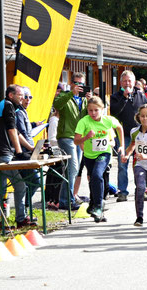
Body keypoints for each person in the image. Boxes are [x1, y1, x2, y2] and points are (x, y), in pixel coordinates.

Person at [0, 84, 37, 230]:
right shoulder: (8, 105)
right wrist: (18, 152)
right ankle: (19, 219)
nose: (23, 98)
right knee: (20, 185)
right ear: (11, 95)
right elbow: (11, 130)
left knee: (0, 187)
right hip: (3, 153)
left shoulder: (7, 105)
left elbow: (15, 131)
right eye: (20, 95)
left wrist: (29, 148)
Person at [74, 96, 124, 222]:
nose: (93, 113)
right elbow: (76, 141)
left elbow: (119, 128)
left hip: (104, 153)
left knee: (97, 175)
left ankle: (98, 206)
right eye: (90, 110)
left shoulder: (108, 120)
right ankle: (94, 207)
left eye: (96, 110)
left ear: (102, 109)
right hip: (89, 155)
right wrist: (86, 137)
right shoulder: (84, 122)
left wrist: (122, 145)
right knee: (93, 179)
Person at [53, 72, 91, 210]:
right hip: (66, 136)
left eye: (81, 84)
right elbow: (56, 104)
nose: (79, 86)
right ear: (71, 83)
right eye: (76, 83)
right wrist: (71, 93)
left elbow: (89, 118)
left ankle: (64, 200)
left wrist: (90, 101)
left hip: (78, 136)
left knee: (73, 170)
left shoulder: (85, 99)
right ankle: (67, 200)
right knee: (73, 166)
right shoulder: (64, 95)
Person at [122, 104, 147, 228]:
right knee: (140, 188)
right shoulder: (134, 131)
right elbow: (132, 146)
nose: (145, 119)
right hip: (138, 164)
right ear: (138, 117)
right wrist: (127, 154)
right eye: (142, 116)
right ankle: (139, 217)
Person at [110, 70, 147, 202]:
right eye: (125, 81)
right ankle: (122, 192)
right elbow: (114, 112)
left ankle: (142, 190)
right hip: (124, 136)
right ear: (121, 82)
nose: (127, 83)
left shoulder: (140, 95)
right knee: (122, 164)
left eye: (129, 81)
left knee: (142, 163)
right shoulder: (116, 97)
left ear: (134, 81)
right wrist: (124, 98)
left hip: (140, 136)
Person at [16, 87, 43, 204]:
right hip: (23, 153)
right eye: (25, 97)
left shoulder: (23, 112)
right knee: (35, 182)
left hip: (29, 151)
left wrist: (34, 124)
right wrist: (31, 148)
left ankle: (25, 209)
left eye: (30, 97)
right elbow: (21, 133)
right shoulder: (18, 112)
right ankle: (25, 207)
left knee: (32, 182)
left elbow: (26, 131)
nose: (28, 100)